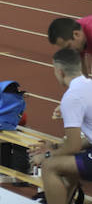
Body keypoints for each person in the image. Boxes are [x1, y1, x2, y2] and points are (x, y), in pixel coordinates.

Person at [28, 48, 92, 204]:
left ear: (59, 71)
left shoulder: (72, 97)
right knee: (69, 168)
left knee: (50, 166)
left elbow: (74, 146)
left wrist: (46, 156)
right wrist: (56, 147)